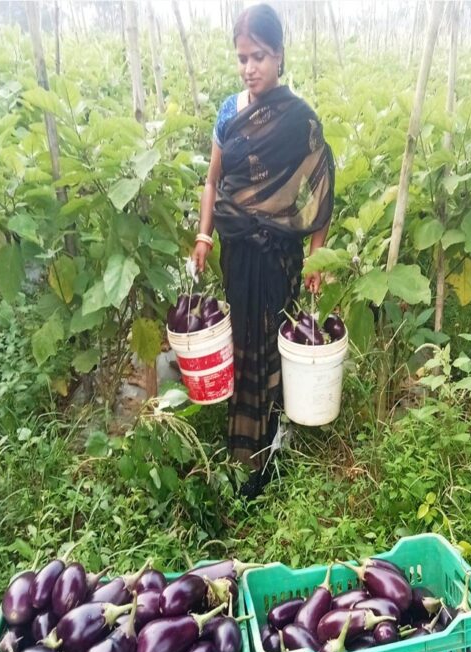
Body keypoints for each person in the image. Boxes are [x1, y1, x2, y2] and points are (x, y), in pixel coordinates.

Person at [191, 3, 335, 498]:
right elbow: (212, 181)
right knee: (242, 344)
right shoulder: (229, 112)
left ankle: (273, 451)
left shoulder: (299, 119)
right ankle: (240, 451)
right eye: (242, 58)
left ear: (279, 56)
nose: (250, 68)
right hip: (237, 251)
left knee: (273, 343)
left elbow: (321, 189)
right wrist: (204, 236)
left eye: (259, 57)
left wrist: (317, 256)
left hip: (278, 255)